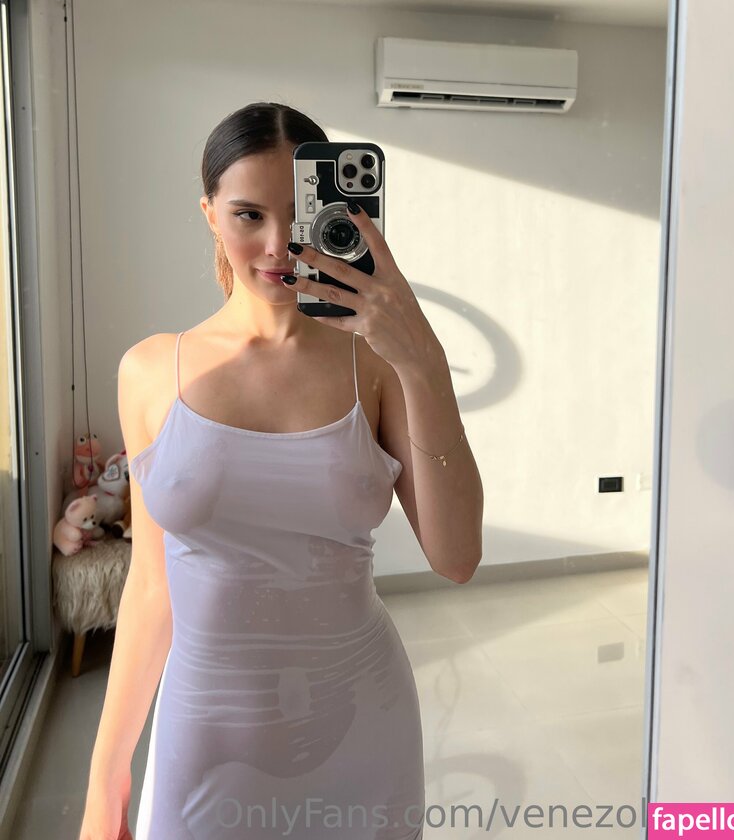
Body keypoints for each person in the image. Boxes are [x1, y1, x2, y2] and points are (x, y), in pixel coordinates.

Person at [79, 102, 483, 839]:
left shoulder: (377, 366)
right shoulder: (151, 370)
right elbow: (151, 586)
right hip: (204, 737)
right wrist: (106, 781)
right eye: (248, 215)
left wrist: (422, 360)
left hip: (364, 728)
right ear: (209, 214)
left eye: (298, 218)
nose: (277, 246)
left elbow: (456, 558)